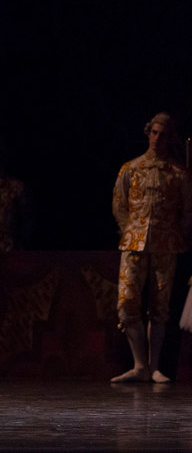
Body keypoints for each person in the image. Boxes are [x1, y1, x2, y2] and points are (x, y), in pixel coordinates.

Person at [111, 112, 192, 383]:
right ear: (148, 133)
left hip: (165, 244)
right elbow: (119, 205)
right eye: (154, 132)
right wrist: (130, 230)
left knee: (161, 305)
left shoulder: (178, 174)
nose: (157, 138)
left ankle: (155, 365)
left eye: (163, 134)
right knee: (126, 302)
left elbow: (187, 211)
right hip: (134, 242)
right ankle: (139, 364)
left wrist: (176, 234)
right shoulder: (130, 169)